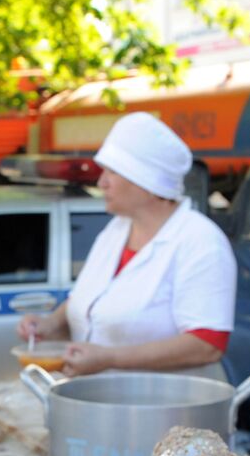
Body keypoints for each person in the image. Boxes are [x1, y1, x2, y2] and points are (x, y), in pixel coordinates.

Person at [16, 112, 236, 377]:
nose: (101, 183)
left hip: (166, 410)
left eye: (113, 172)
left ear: (146, 181)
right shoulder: (116, 231)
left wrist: (110, 358)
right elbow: (88, 300)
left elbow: (206, 344)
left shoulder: (200, 241)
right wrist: (49, 325)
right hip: (103, 403)